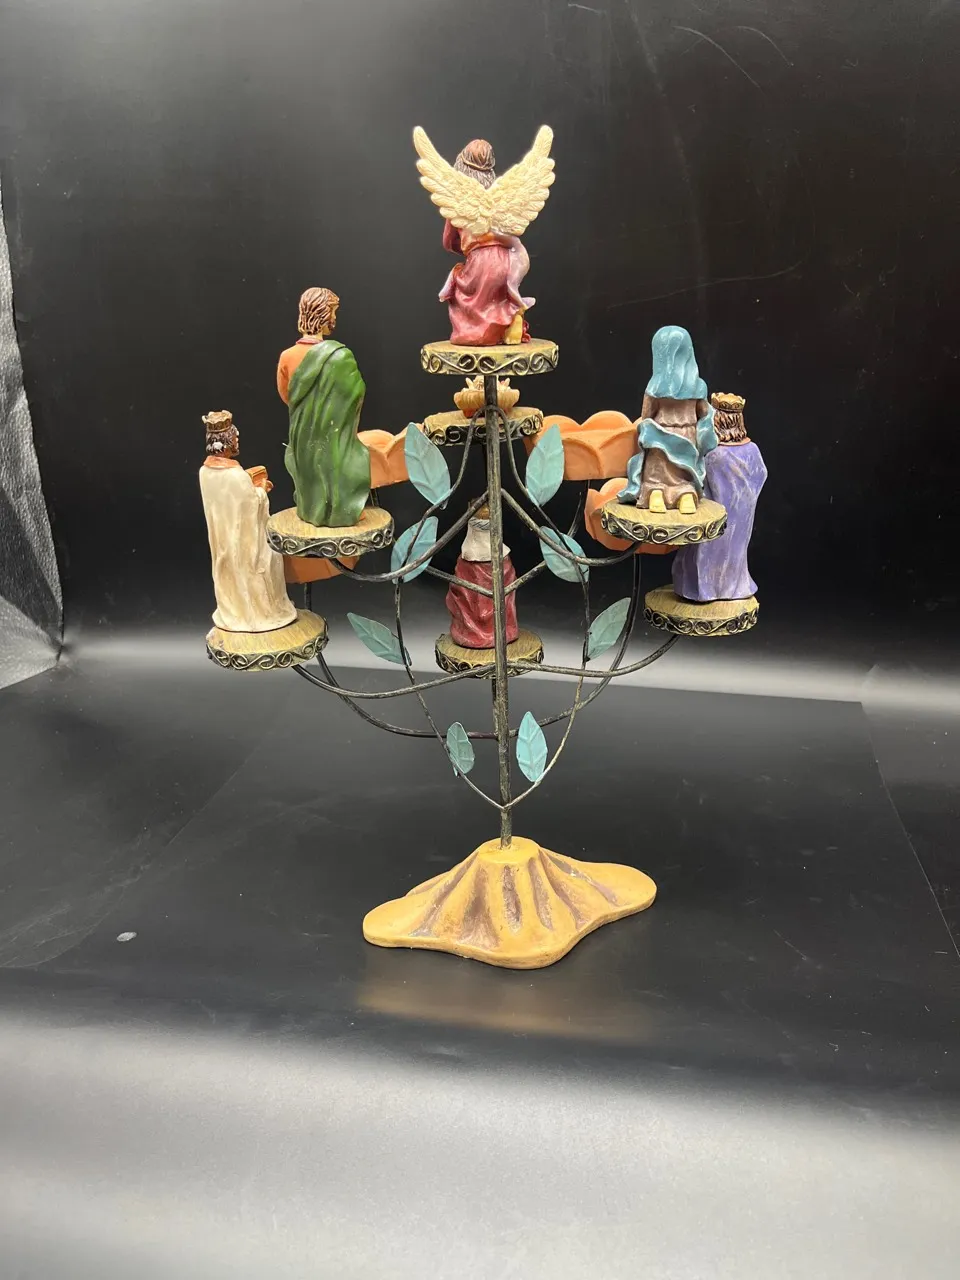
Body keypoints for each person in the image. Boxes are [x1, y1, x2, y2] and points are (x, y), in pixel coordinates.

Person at [277, 288, 370, 527]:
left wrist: (309, 413)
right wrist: (330, 412)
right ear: (322, 314)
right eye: (333, 312)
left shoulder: (287, 356)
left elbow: (287, 395)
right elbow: (356, 392)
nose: (334, 318)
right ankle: (345, 511)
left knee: (309, 471)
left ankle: (310, 510)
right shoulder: (340, 356)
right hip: (334, 433)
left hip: (302, 433)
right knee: (342, 462)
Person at [198, 411, 296, 633]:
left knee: (228, 572)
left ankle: (237, 610)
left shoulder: (204, 472)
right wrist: (262, 488)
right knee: (268, 559)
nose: (237, 440)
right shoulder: (235, 476)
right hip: (245, 541)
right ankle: (263, 611)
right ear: (226, 442)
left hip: (222, 538)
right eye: (235, 438)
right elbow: (252, 503)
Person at [672, 394, 767, 601]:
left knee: (706, 552)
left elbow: (703, 490)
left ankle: (705, 590)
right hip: (742, 516)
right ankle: (735, 587)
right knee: (735, 552)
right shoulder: (752, 449)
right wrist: (746, 498)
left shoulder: (715, 455)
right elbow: (762, 474)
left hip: (717, 518)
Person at [439, 140, 532, 347]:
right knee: (499, 296)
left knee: (463, 289)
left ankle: (477, 333)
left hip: (479, 260)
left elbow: (448, 241)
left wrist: (469, 248)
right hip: (506, 259)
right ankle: (511, 321)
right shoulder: (499, 200)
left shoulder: (458, 203)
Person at [618, 326, 718, 515]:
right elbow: (704, 413)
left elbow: (646, 415)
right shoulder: (698, 386)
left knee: (657, 471)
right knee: (683, 470)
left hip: (659, 434)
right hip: (687, 435)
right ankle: (685, 495)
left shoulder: (655, 387)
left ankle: (655, 493)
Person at [445, 505, 520, 648]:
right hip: (474, 556)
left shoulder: (503, 564)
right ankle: (473, 633)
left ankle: (500, 631)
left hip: (495, 556)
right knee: (471, 598)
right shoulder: (467, 565)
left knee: (501, 597)